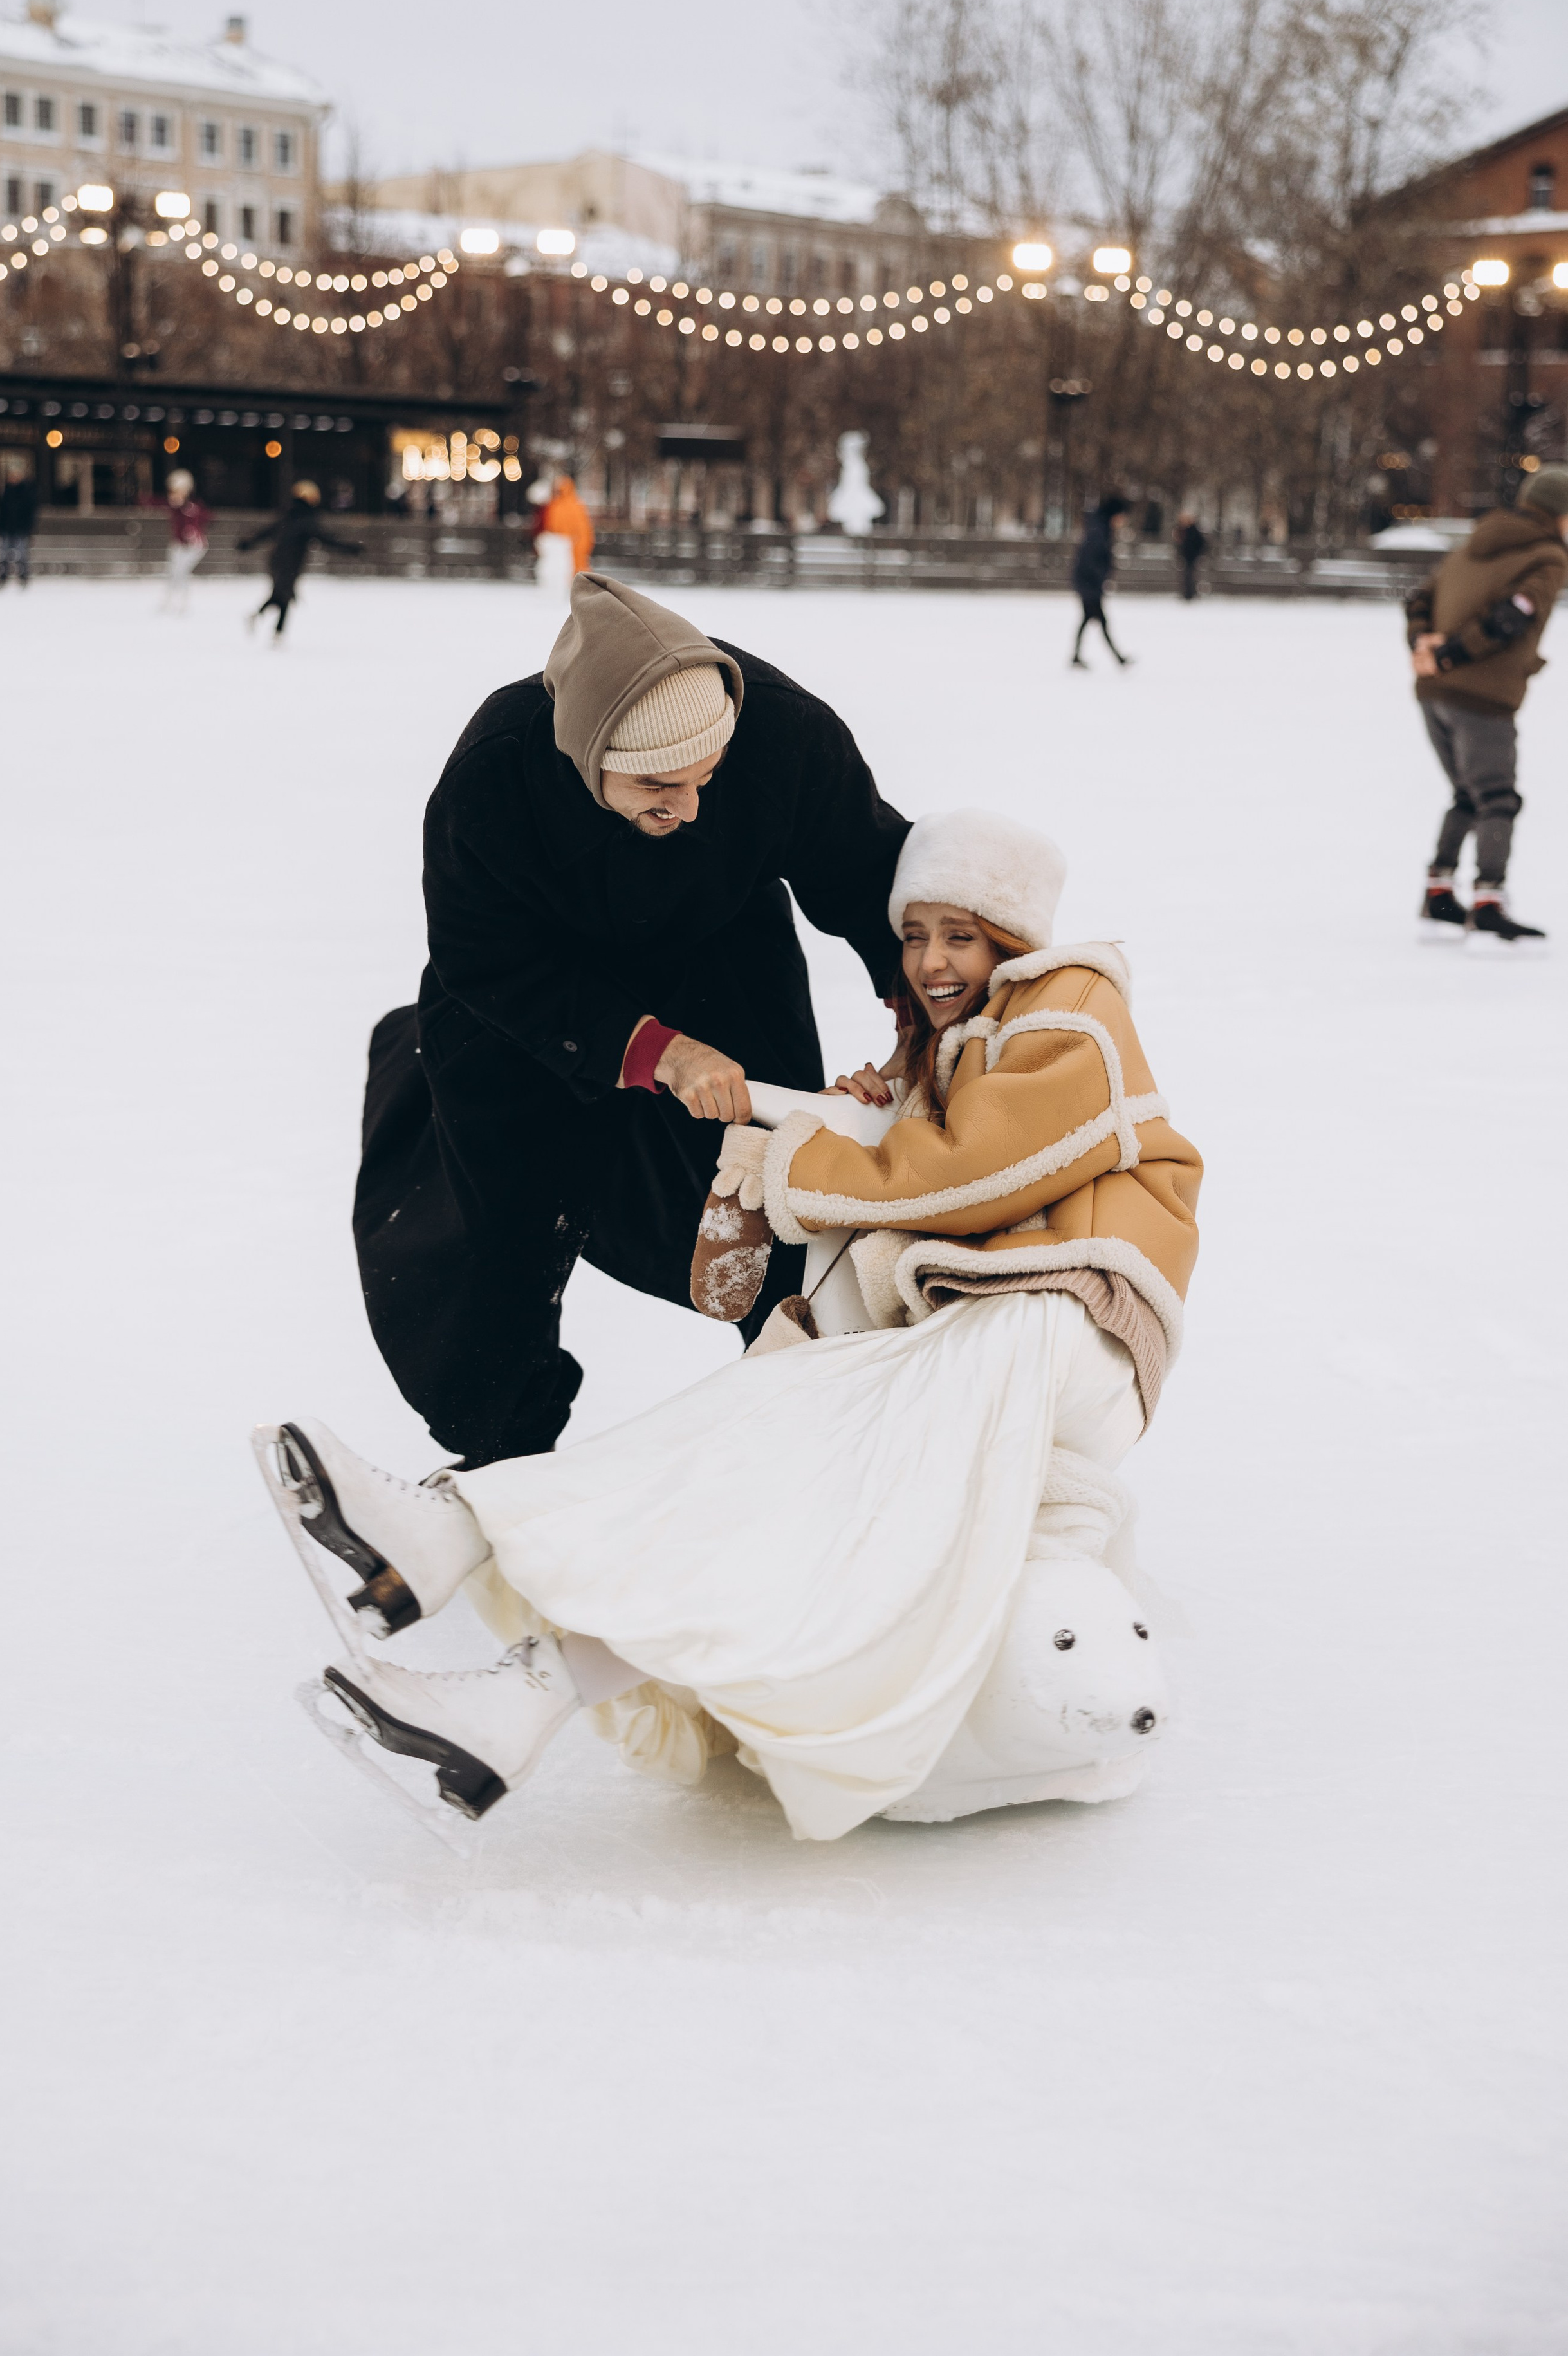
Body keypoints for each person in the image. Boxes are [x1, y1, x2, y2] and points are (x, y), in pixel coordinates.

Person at [255, 807, 1202, 1842]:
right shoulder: (950, 1050)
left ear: (1013, 938)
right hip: (995, 1328)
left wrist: (811, 1161)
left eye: (961, 936)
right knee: (780, 1474)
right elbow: (937, 1176)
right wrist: (857, 1113)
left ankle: (452, 1531)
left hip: (1068, 1318)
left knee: (778, 1426)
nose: (932, 960)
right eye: (915, 934)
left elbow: (980, 1172)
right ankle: (515, 1704)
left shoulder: (1072, 1004)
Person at [353, 571, 909, 1469]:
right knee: (502, 1243)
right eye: (657, 783)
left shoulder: (781, 731)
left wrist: (922, 1000)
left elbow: (871, 871)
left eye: (708, 778)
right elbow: (483, 956)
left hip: (722, 959)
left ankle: (811, 1429)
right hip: (532, 995)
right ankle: (502, 1464)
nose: (689, 807)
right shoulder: (495, 771)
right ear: (588, 752)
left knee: (774, 1207)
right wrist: (656, 1051)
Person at [1407, 465, 1568, 953]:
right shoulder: (1548, 556)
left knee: (1467, 794)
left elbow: (1418, 599)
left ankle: (1439, 894)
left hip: (1433, 694)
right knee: (1497, 799)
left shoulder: (1473, 543)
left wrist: (1424, 646)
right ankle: (1489, 902)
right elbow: (1512, 617)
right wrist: (1453, 654)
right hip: (1483, 696)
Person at [237, 480, 362, 641]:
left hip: (277, 560)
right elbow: (326, 539)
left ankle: (275, 629)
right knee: (282, 595)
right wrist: (349, 548)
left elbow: (268, 531)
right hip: (290, 563)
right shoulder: (306, 519)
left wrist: (249, 543)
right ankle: (262, 620)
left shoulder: (289, 514)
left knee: (284, 595)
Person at [1069, 492, 1131, 667]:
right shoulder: (1099, 530)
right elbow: (1091, 559)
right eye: (1122, 516)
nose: (1123, 521)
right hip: (1089, 583)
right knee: (1101, 621)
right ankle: (1118, 659)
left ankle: (1077, 657)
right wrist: (1101, 577)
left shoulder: (1100, 526)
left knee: (1089, 619)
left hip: (1088, 583)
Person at [159, 468, 210, 615]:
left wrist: (193, 531)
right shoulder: (176, 508)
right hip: (178, 545)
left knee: (181, 574)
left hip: (193, 547)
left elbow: (206, 518)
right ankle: (168, 602)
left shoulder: (193, 508)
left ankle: (183, 604)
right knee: (173, 573)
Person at [0, 459, 39, 589]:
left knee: (22, 554)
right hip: (7, 528)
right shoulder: (5, 491)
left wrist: (27, 527)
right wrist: (0, 526)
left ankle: (23, 577)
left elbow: (30, 512)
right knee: (4, 554)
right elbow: (0, 512)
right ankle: (2, 577)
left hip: (21, 529)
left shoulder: (27, 491)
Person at [1174, 514, 1207, 601]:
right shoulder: (1185, 530)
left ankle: (1189, 594)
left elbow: (1200, 543)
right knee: (1188, 576)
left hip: (1191, 557)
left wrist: (1195, 553)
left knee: (1189, 576)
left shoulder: (1193, 531)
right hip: (1187, 557)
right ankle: (1189, 593)